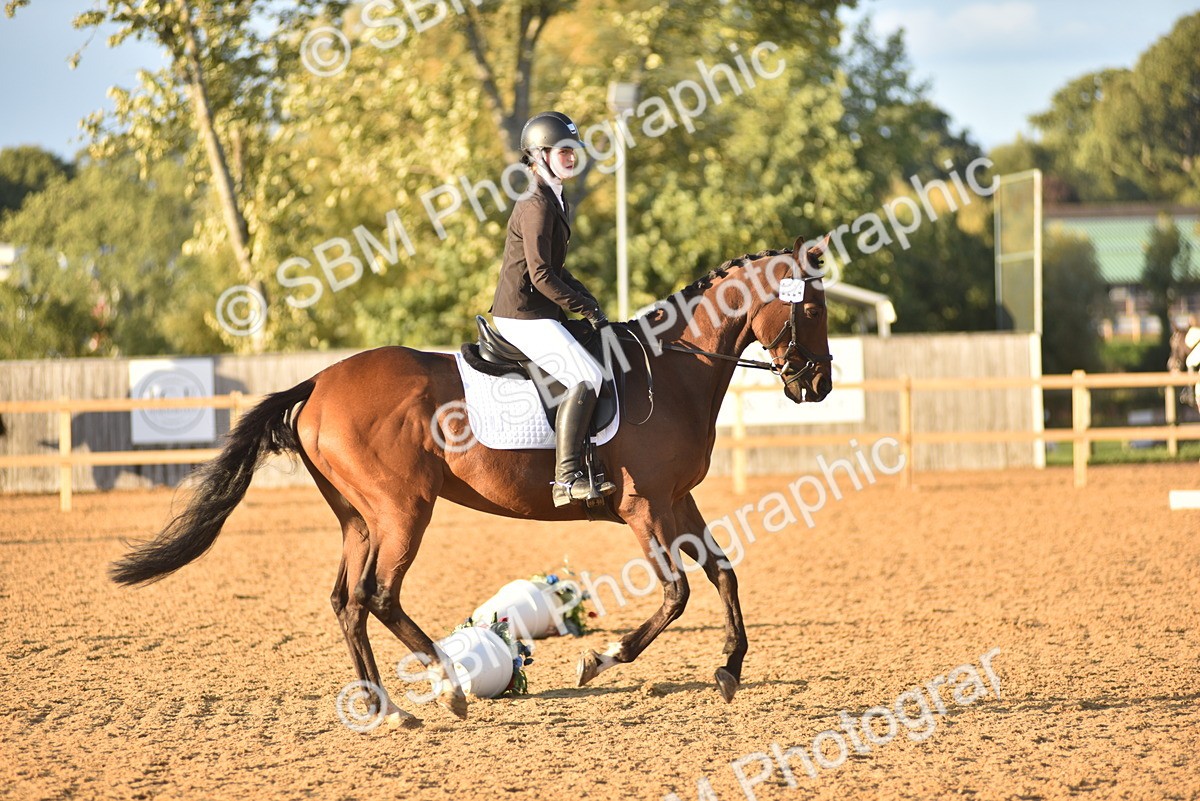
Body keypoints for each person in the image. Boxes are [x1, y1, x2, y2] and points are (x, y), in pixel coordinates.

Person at [490, 111, 617, 507]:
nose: (571, 156)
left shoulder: (553, 196)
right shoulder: (536, 203)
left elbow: (557, 268)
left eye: (573, 150)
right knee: (588, 377)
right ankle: (567, 478)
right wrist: (585, 309)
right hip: (522, 314)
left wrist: (587, 299)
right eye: (563, 150)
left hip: (538, 312)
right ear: (540, 154)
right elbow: (542, 275)